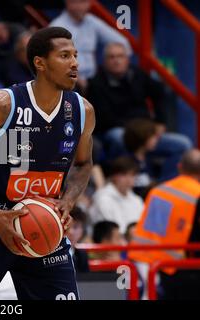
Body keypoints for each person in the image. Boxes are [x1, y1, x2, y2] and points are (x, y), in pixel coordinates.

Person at [0, 26, 95, 300]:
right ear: (40, 63)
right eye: (65, 55)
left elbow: (83, 164)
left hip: (45, 233)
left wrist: (67, 201)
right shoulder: (2, 105)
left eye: (76, 56)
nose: (75, 64)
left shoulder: (82, 111)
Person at [88, 42, 192, 181]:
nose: (116, 60)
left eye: (120, 56)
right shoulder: (95, 84)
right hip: (118, 131)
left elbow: (160, 93)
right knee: (118, 137)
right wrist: (141, 131)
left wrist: (160, 122)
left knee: (183, 143)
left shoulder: (137, 74)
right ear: (104, 61)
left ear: (127, 59)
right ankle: (132, 179)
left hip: (146, 131)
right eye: (111, 57)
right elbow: (104, 119)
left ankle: (162, 184)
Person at [128, 149, 200, 300]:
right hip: (178, 268)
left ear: (180, 167)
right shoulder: (197, 194)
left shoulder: (158, 190)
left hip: (144, 261)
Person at [50, 0, 131, 92]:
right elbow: (56, 61)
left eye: (84, 2)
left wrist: (116, 61)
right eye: (76, 2)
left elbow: (122, 42)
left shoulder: (91, 21)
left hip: (93, 81)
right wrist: (76, 78)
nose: (81, 6)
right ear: (68, 3)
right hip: (68, 82)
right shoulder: (57, 26)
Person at [89, 156, 144, 234]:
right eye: (124, 174)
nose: (128, 179)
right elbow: (110, 233)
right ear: (114, 176)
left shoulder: (137, 200)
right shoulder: (103, 198)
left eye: (132, 175)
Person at [67, 207, 90, 273]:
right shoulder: (51, 255)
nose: (70, 232)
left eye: (75, 227)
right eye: (67, 226)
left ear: (82, 231)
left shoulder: (82, 255)